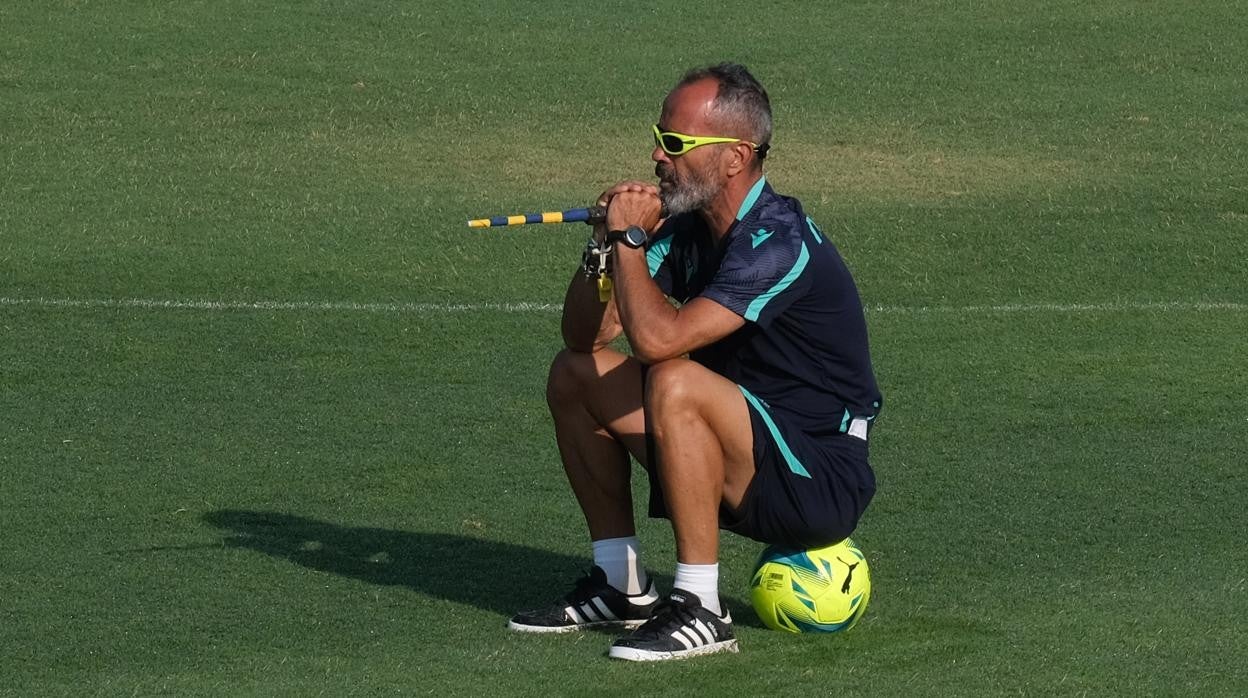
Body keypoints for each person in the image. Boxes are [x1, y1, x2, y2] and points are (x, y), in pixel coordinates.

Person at [508, 63, 882, 661]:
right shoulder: (685, 228)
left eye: (676, 144)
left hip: (816, 479)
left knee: (675, 376)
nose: (657, 156)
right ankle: (622, 586)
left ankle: (703, 608)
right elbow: (586, 335)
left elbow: (659, 343)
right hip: (725, 446)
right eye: (657, 137)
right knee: (576, 375)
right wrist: (603, 246)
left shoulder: (777, 240)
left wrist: (631, 241)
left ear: (734, 158)